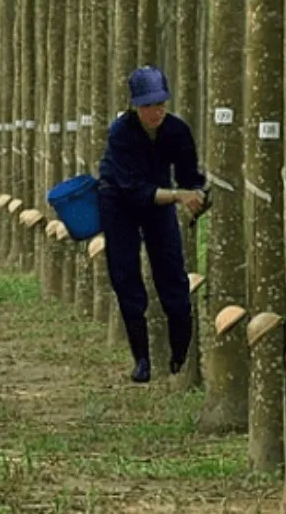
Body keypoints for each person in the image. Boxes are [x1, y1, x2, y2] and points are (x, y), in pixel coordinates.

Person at [98, 66, 206, 384]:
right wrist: (178, 195)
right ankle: (142, 359)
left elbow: (189, 176)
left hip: (159, 201)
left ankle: (179, 354)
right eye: (147, 105)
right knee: (126, 275)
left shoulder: (176, 131)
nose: (155, 111)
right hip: (119, 202)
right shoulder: (120, 133)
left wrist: (198, 194)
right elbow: (133, 190)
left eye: (160, 103)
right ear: (135, 105)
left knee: (171, 270)